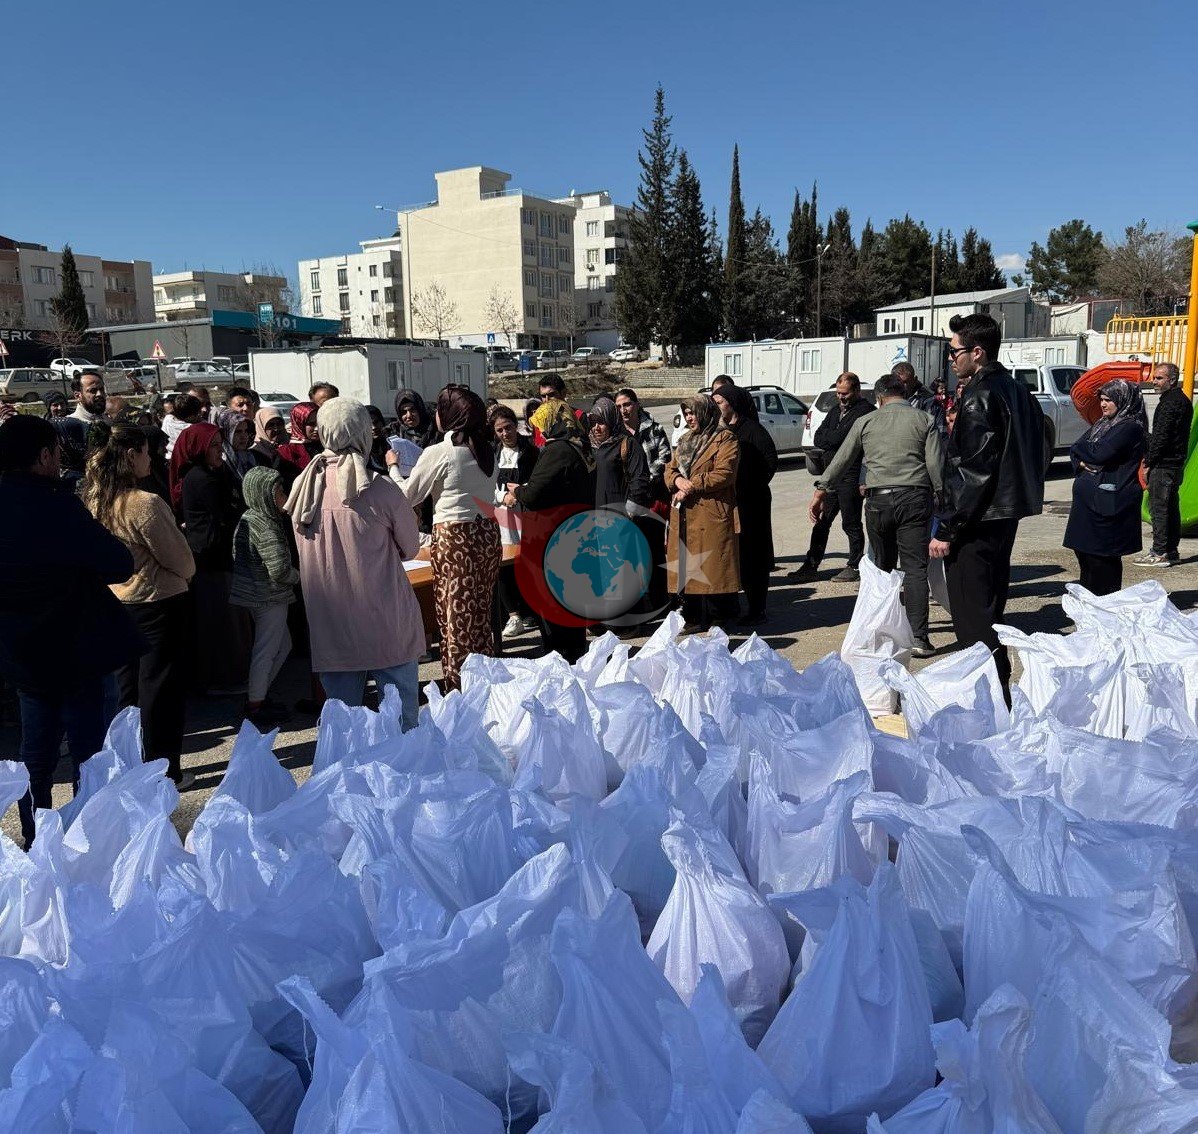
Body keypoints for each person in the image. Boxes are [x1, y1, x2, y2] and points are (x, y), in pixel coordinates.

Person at [0, 417, 144, 846]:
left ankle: (36, 839)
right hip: (76, 648)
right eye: (56, 453)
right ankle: (87, 840)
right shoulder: (56, 505)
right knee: (89, 755)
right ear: (44, 456)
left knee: (35, 756)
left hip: (21, 652)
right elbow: (118, 562)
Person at [285, 397, 423, 726]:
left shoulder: (303, 487)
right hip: (385, 619)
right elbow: (412, 547)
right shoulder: (379, 488)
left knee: (344, 728)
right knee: (401, 724)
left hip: (331, 621)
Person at [930, 313, 1045, 694]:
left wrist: (947, 528)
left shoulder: (981, 395)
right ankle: (996, 690)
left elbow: (973, 472)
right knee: (991, 606)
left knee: (972, 615)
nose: (951, 358)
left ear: (977, 353)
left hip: (977, 521)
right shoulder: (1017, 390)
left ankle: (990, 697)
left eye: (954, 351)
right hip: (1002, 515)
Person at [81, 423, 196, 788]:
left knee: (126, 691)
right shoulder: (144, 503)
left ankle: (126, 766)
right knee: (160, 689)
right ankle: (164, 772)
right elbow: (182, 561)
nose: (153, 457)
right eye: (147, 450)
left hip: (116, 600)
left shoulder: (94, 499)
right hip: (157, 601)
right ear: (131, 455)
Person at [812, 375, 943, 655]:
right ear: (904, 393)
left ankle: (881, 635)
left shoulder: (866, 421)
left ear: (879, 398)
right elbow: (935, 464)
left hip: (878, 501)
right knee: (915, 569)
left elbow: (842, 458)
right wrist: (943, 497)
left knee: (882, 569)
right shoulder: (924, 420)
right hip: (915, 499)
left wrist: (821, 490)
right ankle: (919, 639)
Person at [396, 386, 502, 690]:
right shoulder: (485, 450)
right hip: (486, 534)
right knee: (480, 616)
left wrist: (392, 467)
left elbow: (408, 495)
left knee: (455, 620)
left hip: (456, 537)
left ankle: (459, 689)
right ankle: (484, 682)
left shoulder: (440, 453)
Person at [504, 408, 596, 662]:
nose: (538, 430)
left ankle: (561, 658)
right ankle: (572, 654)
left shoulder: (557, 451)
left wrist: (518, 491)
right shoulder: (578, 447)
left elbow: (535, 493)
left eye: (540, 425)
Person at [170, 422, 249, 693]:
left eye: (219, 445)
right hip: (210, 559)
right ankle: (220, 679)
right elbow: (224, 516)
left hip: (215, 556)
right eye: (213, 446)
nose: (220, 452)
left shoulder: (212, 474)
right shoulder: (202, 478)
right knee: (219, 621)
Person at [663, 394, 740, 634]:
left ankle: (721, 618)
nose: (689, 417)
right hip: (685, 512)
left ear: (705, 412)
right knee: (687, 564)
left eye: (693, 412)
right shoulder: (685, 440)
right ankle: (693, 617)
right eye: (686, 413)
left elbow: (725, 472)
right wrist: (677, 480)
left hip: (710, 511)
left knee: (714, 566)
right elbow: (669, 469)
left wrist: (692, 484)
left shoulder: (725, 438)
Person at [1063, 379, 1148, 596]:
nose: (1103, 404)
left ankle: (1104, 606)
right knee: (1085, 555)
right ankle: (1090, 605)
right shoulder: (1103, 424)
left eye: (1109, 400)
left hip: (1108, 505)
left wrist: (1083, 451)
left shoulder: (1129, 427)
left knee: (1102, 560)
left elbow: (1099, 452)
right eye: (1101, 399)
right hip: (1088, 503)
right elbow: (1078, 448)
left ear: (1123, 401)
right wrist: (1081, 457)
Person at [230, 467, 299, 727]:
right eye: (280, 490)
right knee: (267, 650)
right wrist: (299, 577)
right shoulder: (267, 526)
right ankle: (255, 704)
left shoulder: (249, 518)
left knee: (282, 645)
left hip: (254, 594)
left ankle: (256, 695)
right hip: (269, 597)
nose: (285, 494)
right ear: (265, 494)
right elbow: (280, 569)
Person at [792, 372, 874, 583]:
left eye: (845, 393)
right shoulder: (836, 411)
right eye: (838, 393)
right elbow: (819, 436)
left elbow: (841, 439)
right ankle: (811, 564)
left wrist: (833, 438)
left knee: (851, 523)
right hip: (832, 475)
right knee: (822, 521)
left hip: (851, 475)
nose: (841, 397)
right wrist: (833, 439)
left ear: (856, 391)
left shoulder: (864, 412)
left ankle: (855, 565)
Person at [715, 384, 777, 626]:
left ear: (732, 403)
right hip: (731, 502)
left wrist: (752, 486)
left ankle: (757, 608)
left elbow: (770, 461)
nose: (716, 406)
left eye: (720, 401)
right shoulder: (721, 430)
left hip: (753, 503)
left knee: (754, 556)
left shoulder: (753, 431)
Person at [1136, 361, 1193, 568]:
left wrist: (1149, 462)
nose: (1154, 381)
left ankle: (1160, 551)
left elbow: (1162, 436)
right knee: (1170, 508)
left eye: (1159, 378)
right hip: (1173, 463)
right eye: (1154, 377)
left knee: (1159, 508)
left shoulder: (1171, 403)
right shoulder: (1179, 400)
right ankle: (1170, 550)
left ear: (1171, 380)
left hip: (1165, 464)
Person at [490, 405, 540, 639]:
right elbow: (487, 485)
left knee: (527, 563)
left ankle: (531, 611)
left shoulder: (530, 452)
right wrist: (503, 497)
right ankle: (513, 614)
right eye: (499, 430)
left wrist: (519, 493)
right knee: (505, 565)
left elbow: (538, 480)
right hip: (503, 516)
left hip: (525, 514)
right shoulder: (493, 453)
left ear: (515, 425)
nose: (504, 434)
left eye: (508, 427)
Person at [590, 396, 651, 512]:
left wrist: (629, 512)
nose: (596, 428)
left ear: (611, 420)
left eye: (601, 422)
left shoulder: (628, 444)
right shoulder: (591, 447)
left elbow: (640, 480)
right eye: (593, 423)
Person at [55, 370, 107, 478]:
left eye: (101, 389)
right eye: (93, 391)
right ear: (78, 395)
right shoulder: (66, 427)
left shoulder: (109, 422)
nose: (100, 394)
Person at [892, 361, 946, 434]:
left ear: (914, 380)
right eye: (898, 382)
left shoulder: (931, 403)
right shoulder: (888, 400)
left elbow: (940, 433)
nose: (902, 386)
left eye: (905, 382)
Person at [217, 409, 258, 484]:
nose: (244, 436)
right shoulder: (220, 461)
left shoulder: (252, 456)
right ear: (226, 433)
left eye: (246, 431)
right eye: (237, 432)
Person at [278, 402, 320, 470]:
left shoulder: (326, 446)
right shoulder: (286, 452)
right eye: (311, 424)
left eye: (319, 423)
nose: (317, 428)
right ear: (299, 424)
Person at [162, 392, 205, 459]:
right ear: (193, 415)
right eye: (199, 412)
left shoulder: (167, 419)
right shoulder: (194, 429)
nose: (201, 414)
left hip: (169, 459)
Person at [364, 405, 392, 474]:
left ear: (382, 422)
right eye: (369, 424)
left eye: (376, 422)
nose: (374, 427)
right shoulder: (363, 451)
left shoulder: (391, 445)